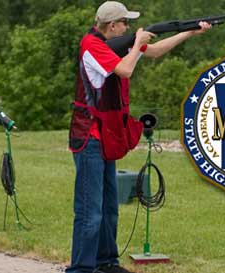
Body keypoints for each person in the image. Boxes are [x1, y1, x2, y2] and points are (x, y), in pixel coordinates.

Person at [66, 2, 211, 273]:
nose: (129, 28)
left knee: (109, 206)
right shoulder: (92, 45)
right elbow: (125, 70)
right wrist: (136, 44)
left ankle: (106, 263)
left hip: (106, 134)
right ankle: (81, 269)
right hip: (89, 136)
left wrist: (189, 32)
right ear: (112, 26)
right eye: (125, 24)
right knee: (89, 211)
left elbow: (154, 51)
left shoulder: (116, 43)